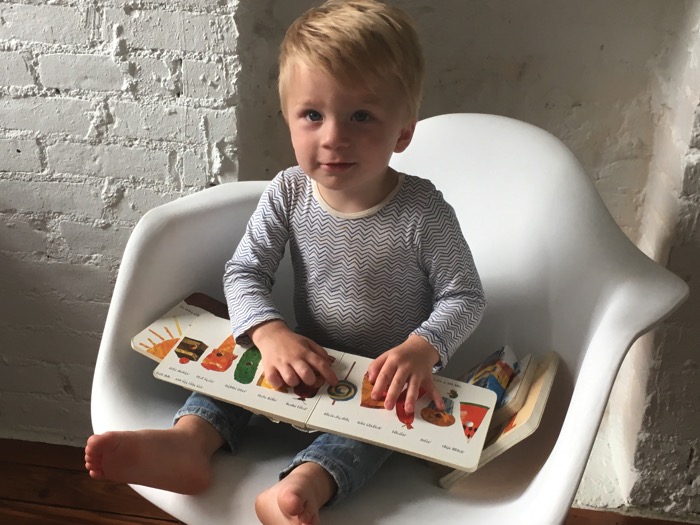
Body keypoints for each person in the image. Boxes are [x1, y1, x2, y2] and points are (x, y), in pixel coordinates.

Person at [84, 1, 486, 524]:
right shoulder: (288, 192)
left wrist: (421, 349)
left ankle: (302, 486)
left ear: (403, 132)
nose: (333, 136)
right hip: (307, 356)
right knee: (240, 365)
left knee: (378, 431)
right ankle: (190, 443)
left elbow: (464, 296)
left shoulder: (423, 210)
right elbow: (244, 272)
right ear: (290, 121)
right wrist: (270, 332)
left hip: (383, 377)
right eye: (313, 115)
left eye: (361, 116)